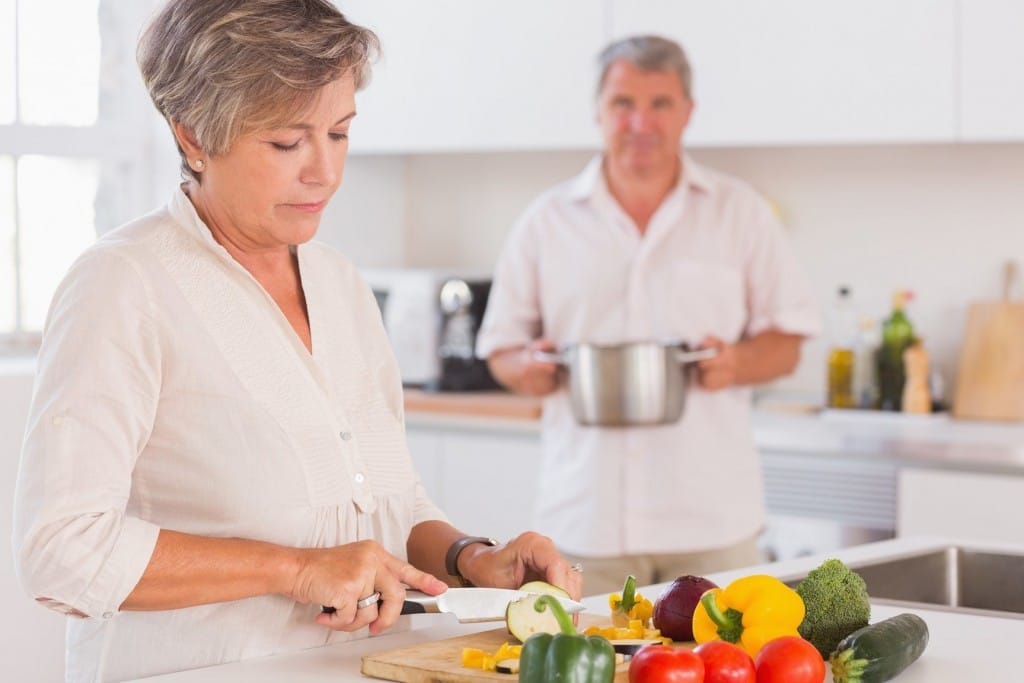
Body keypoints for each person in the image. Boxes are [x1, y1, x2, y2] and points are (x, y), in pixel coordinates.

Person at [11, 2, 580, 681]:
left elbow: (392, 502)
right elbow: (61, 549)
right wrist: (295, 568)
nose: (325, 171)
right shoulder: (123, 284)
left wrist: (468, 557)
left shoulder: (339, 283)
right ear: (192, 134)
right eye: (287, 143)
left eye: (339, 133)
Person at [477, 35, 820, 596]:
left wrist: (735, 363)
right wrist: (527, 367)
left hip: (713, 521)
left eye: (660, 103)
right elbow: (501, 350)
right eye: (622, 104)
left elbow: (788, 341)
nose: (641, 122)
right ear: (598, 111)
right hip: (583, 522)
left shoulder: (741, 213)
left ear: (687, 112)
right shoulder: (546, 221)